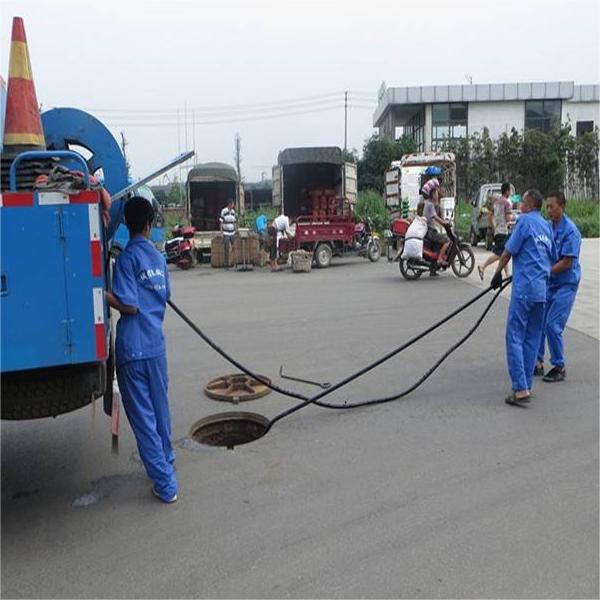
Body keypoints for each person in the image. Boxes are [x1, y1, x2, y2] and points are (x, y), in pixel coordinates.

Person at [106, 197, 177, 503]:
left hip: (133, 350)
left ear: (127, 224)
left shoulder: (126, 260)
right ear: (150, 224)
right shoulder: (158, 258)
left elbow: (130, 305)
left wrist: (104, 295)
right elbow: (165, 295)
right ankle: (167, 460)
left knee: (145, 421)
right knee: (160, 412)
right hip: (156, 347)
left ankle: (166, 485)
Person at [491, 189, 556, 406]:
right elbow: (550, 257)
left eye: (523, 202)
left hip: (524, 289)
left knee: (515, 336)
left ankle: (519, 388)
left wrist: (497, 272)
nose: (520, 206)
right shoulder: (546, 226)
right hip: (541, 292)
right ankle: (526, 384)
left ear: (529, 204)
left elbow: (508, 251)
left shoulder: (525, 222)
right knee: (532, 338)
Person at [535, 191, 581, 382]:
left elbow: (566, 263)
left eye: (552, 206)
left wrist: (545, 271)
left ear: (562, 207)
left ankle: (559, 366)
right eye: (547, 206)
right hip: (550, 283)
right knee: (539, 322)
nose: (549, 210)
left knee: (552, 325)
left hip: (566, 284)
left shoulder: (571, 231)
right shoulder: (548, 227)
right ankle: (537, 362)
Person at [478, 183, 513, 280]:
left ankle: (507, 274)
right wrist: (514, 218)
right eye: (509, 190)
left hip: (497, 230)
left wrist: (494, 228)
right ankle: (483, 266)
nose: (510, 193)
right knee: (500, 254)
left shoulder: (496, 203)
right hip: (504, 231)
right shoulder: (507, 203)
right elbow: (508, 218)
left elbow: (490, 217)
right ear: (507, 191)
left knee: (503, 253)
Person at [421, 178, 451, 269]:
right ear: (433, 194)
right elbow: (435, 217)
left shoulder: (428, 203)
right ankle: (440, 259)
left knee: (437, 245)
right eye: (436, 193)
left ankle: (433, 268)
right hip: (431, 232)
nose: (438, 194)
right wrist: (444, 223)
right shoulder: (430, 205)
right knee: (447, 240)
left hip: (428, 230)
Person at [220, 199, 237, 268]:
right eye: (233, 204)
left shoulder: (233, 212)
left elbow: (234, 222)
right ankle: (226, 264)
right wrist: (221, 232)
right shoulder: (224, 211)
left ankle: (234, 262)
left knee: (234, 247)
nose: (233, 205)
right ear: (229, 204)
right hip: (226, 233)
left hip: (232, 232)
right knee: (226, 248)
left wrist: (236, 230)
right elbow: (221, 222)